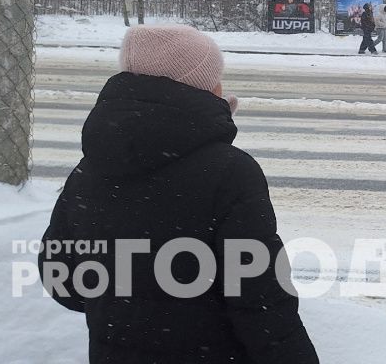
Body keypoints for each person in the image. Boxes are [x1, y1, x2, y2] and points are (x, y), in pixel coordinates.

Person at [39, 25, 318, 364]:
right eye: (216, 77)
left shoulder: (90, 170)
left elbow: (62, 280)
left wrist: (128, 305)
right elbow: (263, 304)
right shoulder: (229, 172)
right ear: (200, 86)